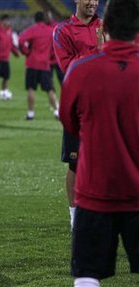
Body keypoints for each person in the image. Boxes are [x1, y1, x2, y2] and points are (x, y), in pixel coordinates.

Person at [59, 0, 139, 286]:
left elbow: (69, 123)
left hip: (95, 194)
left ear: (105, 27)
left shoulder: (80, 72)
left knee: (87, 275)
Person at [53, 0, 103, 229]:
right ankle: (75, 216)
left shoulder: (106, 25)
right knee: (75, 162)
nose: (93, 2)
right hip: (79, 105)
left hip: (108, 102)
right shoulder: (63, 30)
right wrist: (100, 53)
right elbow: (68, 68)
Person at [18, 11, 59, 120]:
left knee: (31, 88)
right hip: (45, 64)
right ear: (44, 19)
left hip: (32, 63)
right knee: (50, 89)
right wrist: (50, 56)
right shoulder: (50, 31)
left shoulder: (32, 30)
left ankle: (30, 113)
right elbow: (55, 46)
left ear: (35, 19)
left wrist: (26, 52)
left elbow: (21, 40)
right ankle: (56, 112)